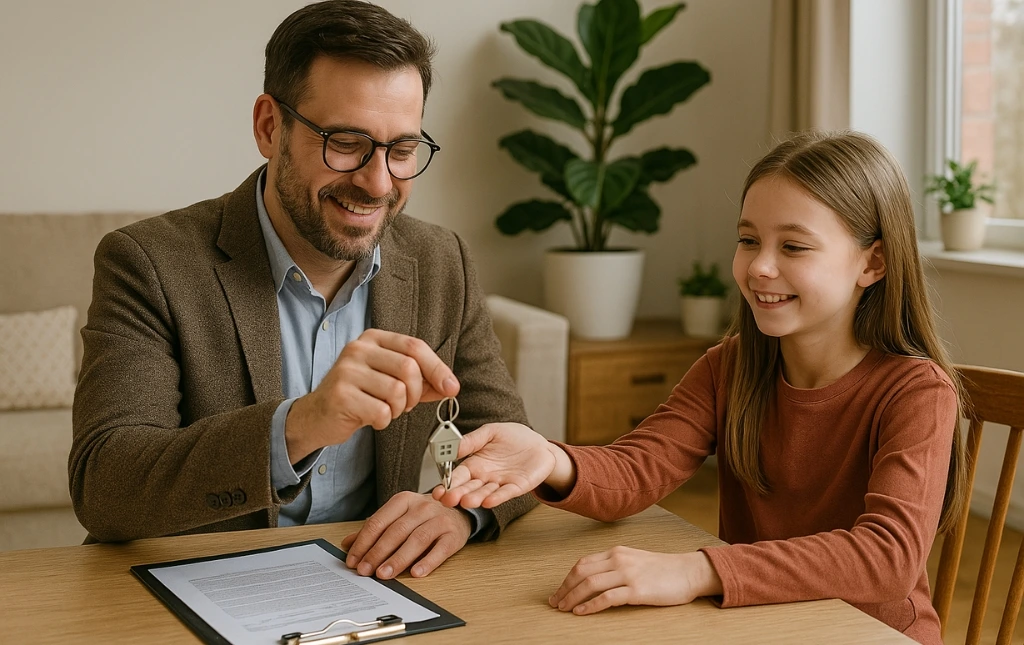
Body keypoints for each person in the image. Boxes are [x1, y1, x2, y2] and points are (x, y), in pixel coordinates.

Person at [434, 131, 967, 644]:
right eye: (748, 240)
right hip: (754, 625)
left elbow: (888, 558)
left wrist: (697, 570)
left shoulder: (916, 392)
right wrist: (548, 458)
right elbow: (638, 470)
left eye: (795, 247)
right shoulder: (730, 367)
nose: (759, 266)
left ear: (872, 262)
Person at [69, 0, 537, 581]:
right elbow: (105, 484)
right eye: (346, 141)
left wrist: (461, 516)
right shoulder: (149, 262)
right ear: (270, 127)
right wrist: (303, 423)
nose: (377, 182)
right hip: (193, 590)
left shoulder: (441, 260)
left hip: (373, 590)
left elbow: (511, 445)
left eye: (402, 150)